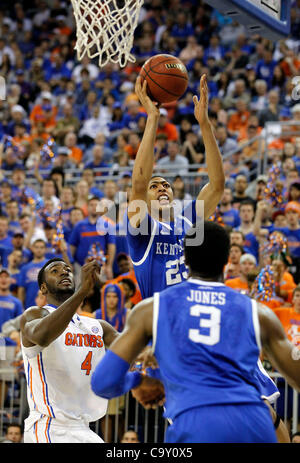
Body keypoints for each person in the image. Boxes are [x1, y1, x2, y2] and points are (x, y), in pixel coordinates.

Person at [91, 221, 300, 443]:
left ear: (185, 260)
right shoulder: (258, 313)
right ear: (227, 259)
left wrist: (139, 382)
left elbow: (103, 381)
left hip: (196, 421)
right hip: (254, 422)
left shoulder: (153, 308)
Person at [126, 74, 225, 299]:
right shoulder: (140, 228)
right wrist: (153, 117)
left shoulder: (188, 221)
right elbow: (139, 183)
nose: (162, 187)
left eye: (165, 185)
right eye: (155, 186)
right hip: (160, 320)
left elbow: (217, 185)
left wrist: (204, 124)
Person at [19, 258, 116, 443]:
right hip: (49, 426)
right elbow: (42, 336)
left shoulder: (97, 326)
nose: (64, 272)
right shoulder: (34, 314)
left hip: (84, 428)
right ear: (43, 288)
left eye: (67, 269)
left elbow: (134, 350)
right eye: (55, 271)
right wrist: (81, 292)